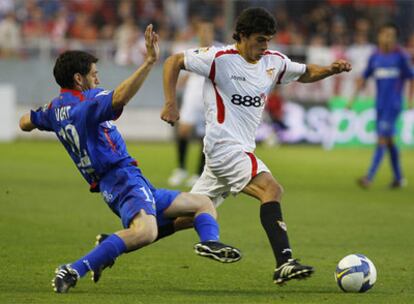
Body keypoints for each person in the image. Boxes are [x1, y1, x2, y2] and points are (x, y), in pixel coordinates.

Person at [19, 24, 241, 294]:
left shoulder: (55, 108)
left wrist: (41, 119)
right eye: (94, 75)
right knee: (145, 233)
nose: (97, 80)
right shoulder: (87, 102)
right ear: (79, 79)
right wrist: (149, 62)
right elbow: (120, 96)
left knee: (203, 203)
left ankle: (209, 242)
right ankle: (74, 268)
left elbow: (24, 122)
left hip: (127, 180)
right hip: (121, 179)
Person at [161, 7, 351, 285]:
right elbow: (174, 61)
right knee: (271, 189)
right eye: (260, 39)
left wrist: (330, 71)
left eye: (268, 40)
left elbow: (306, 72)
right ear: (242, 36)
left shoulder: (272, 61)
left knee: (190, 216)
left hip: (232, 154)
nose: (265, 46)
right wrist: (170, 103)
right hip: (225, 148)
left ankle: (120, 241)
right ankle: (284, 262)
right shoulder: (220, 59)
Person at [349, 23, 414, 189]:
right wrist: (352, 99)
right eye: (385, 34)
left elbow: (411, 77)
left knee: (382, 140)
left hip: (393, 105)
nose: (387, 38)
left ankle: (369, 177)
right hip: (379, 104)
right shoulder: (375, 56)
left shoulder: (401, 56)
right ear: (379, 36)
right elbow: (363, 77)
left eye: (391, 35)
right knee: (390, 142)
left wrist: (410, 99)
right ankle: (399, 179)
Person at [168, 20, 215, 187]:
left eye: (208, 31)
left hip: (210, 97)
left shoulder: (218, 51)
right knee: (184, 130)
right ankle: (181, 169)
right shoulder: (191, 51)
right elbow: (184, 68)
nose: (205, 34)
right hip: (193, 94)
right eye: (202, 31)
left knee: (206, 137)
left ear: (212, 33)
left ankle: (199, 172)